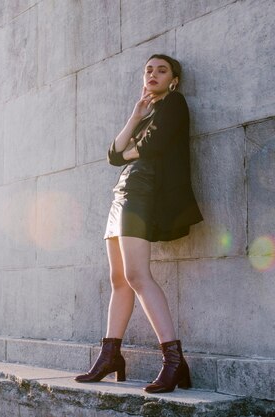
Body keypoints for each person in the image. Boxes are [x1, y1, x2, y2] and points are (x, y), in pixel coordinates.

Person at [75, 54, 203, 393]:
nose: (153, 75)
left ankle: (173, 361)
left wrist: (133, 149)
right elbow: (113, 154)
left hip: (143, 193)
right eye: (148, 70)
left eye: (162, 70)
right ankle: (110, 356)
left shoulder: (174, 103)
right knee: (118, 279)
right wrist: (135, 115)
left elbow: (151, 147)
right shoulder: (147, 113)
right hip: (122, 194)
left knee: (136, 275)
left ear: (174, 79)